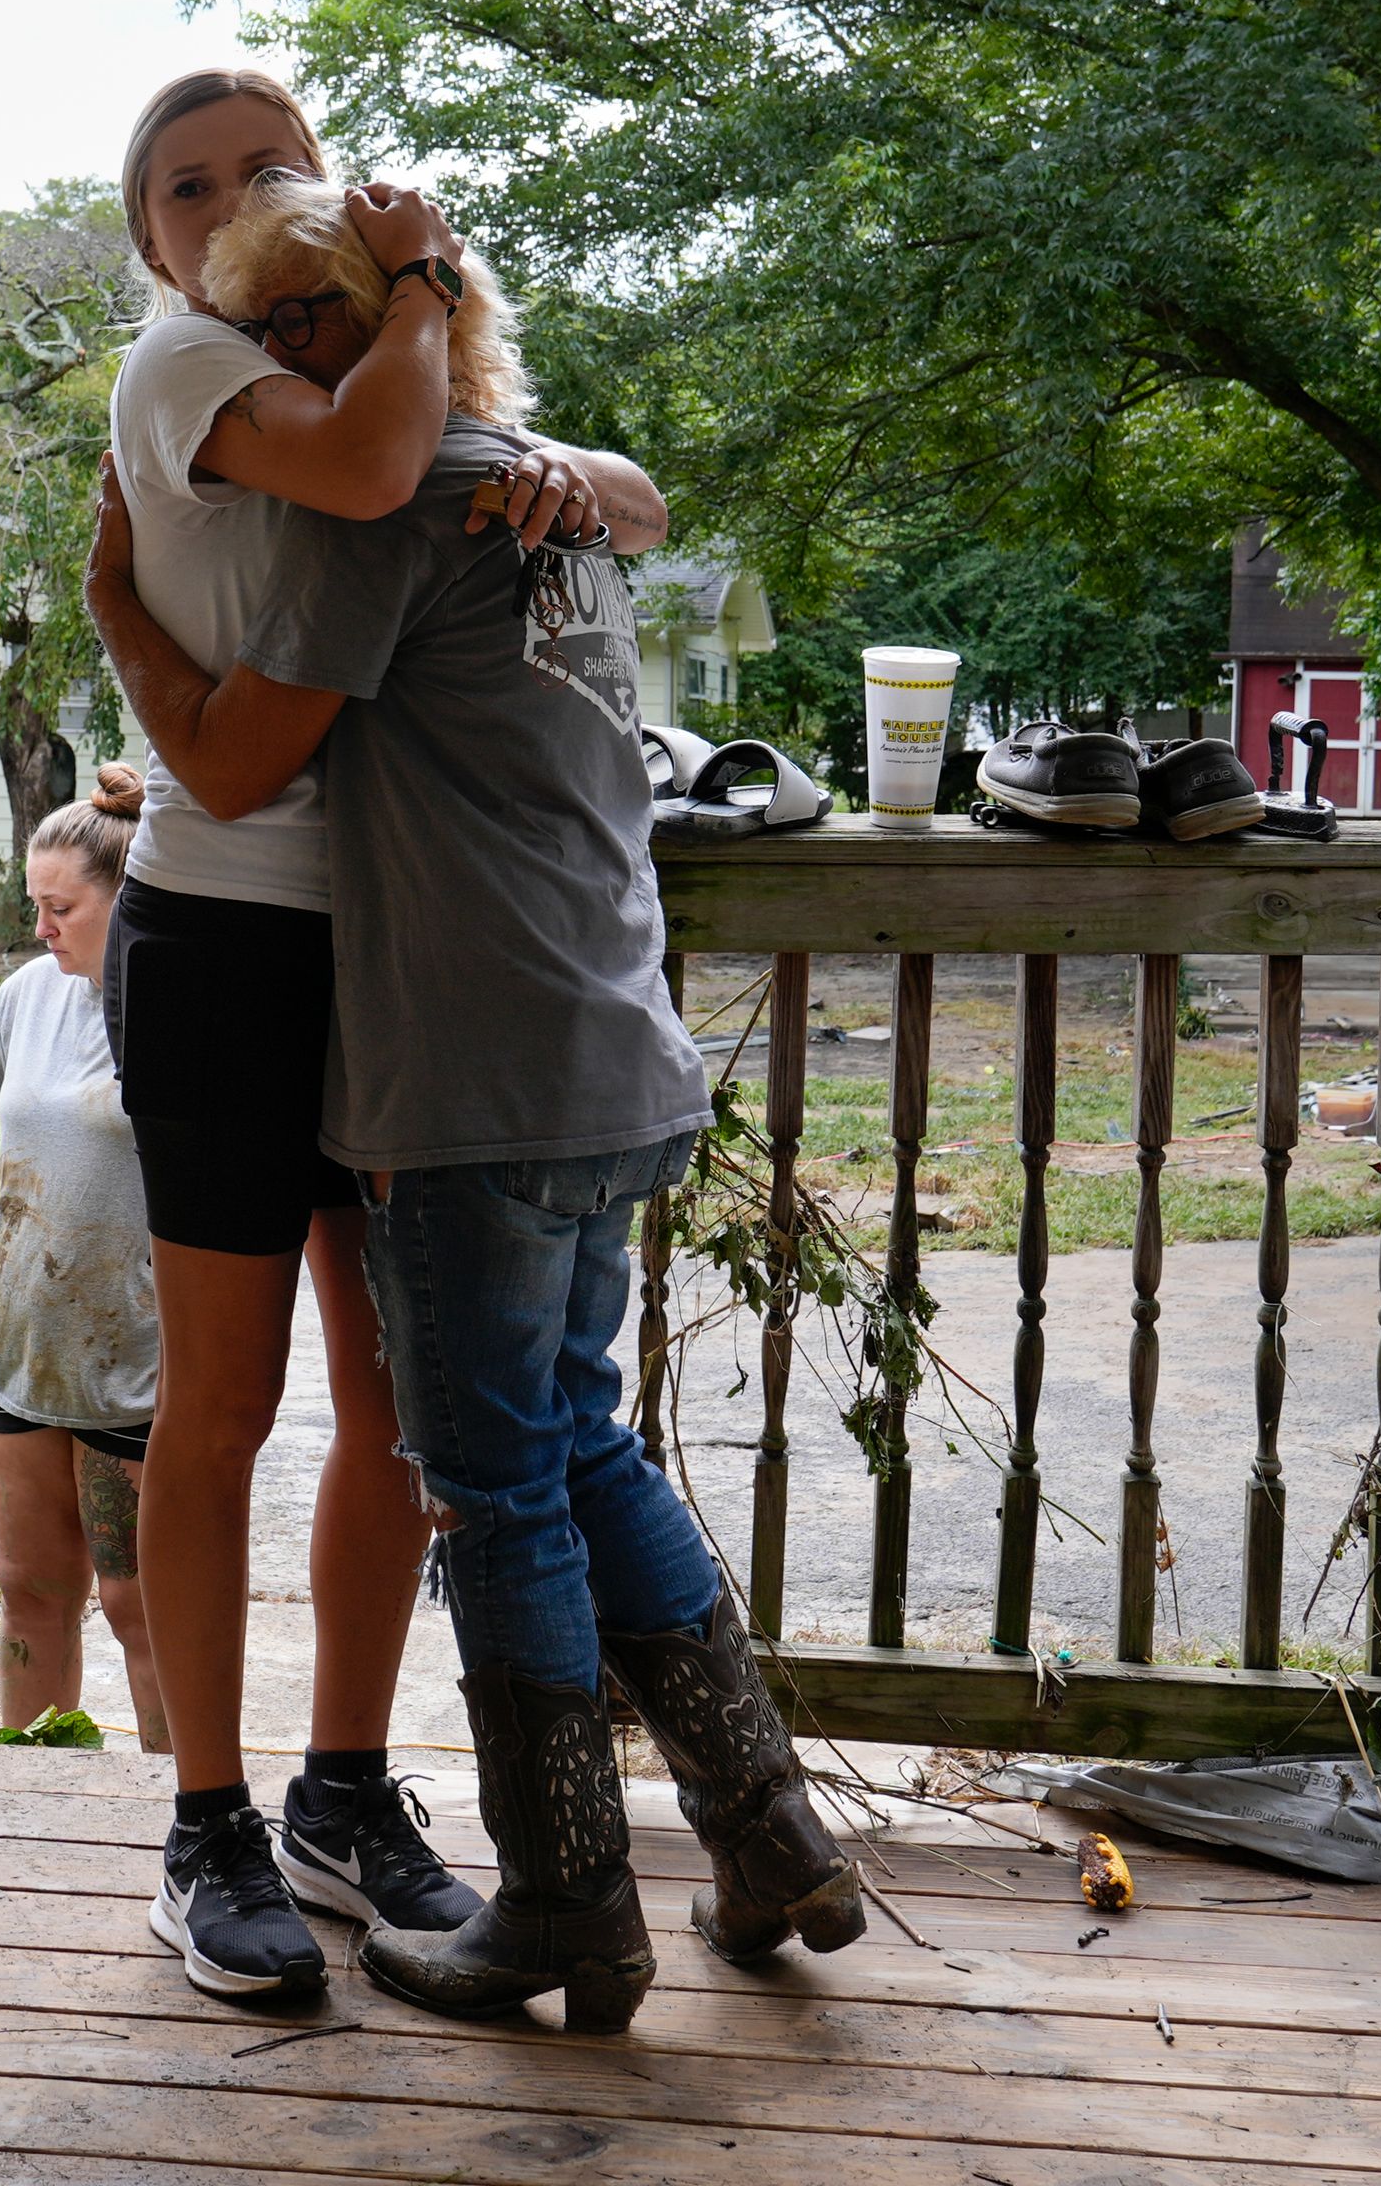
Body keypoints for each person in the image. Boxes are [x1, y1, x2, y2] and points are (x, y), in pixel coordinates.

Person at [87, 174, 860, 2036]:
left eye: (301, 325)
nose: (276, 368)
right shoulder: (557, 508)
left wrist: (118, 602)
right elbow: (628, 499)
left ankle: (571, 1910)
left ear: (385, 317)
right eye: (256, 333)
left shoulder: (403, 505)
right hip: (611, 1054)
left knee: (496, 1484)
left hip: (468, 1074)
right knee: (580, 1442)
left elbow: (225, 751)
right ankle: (763, 1835)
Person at [101, 69, 669, 2000]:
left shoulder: (388, 367)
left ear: (325, 189)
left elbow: (620, 489)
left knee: (393, 1416)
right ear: (150, 241)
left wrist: (557, 470)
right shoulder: (189, 366)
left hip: (401, 958)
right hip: (228, 945)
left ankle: (350, 1791)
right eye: (185, 184)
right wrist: (422, 295)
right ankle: (207, 1822)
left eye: (266, 163)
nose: (227, 196)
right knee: (225, 1402)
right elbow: (358, 471)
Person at [0, 768, 172, 1749]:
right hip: (27, 1359)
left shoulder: (175, 1012)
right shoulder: (33, 993)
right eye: (36, 904)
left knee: (137, 1606)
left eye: (59, 906)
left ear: (130, 897)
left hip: (144, 1377)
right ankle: (33, 1790)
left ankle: (186, 1815)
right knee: (31, 1593)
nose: (40, 927)